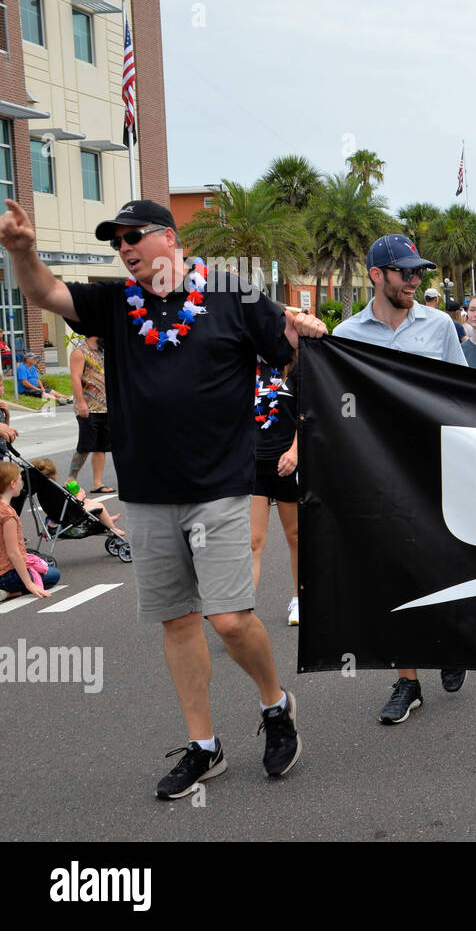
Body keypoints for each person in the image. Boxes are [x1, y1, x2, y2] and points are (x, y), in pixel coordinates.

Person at [0, 196, 320, 799]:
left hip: (221, 486)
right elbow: (46, 294)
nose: (123, 247)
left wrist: (307, 330)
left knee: (228, 618)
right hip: (146, 494)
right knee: (177, 622)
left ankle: (276, 706)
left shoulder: (231, 293)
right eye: (115, 240)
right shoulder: (114, 303)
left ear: (171, 239)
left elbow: (293, 350)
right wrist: (23, 252)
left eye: (133, 235)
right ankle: (205, 746)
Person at [334, 234, 469, 724]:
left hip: (437, 465)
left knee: (443, 561)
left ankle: (452, 640)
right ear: (376, 275)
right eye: (405, 272)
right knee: (392, 573)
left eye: (419, 273)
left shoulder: (440, 327)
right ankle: (407, 682)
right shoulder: (347, 335)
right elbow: (336, 406)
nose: (415, 280)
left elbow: (461, 393)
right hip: (379, 471)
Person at [249, 354, 300, 626]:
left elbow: (309, 414)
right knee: (254, 540)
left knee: (294, 535)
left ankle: (298, 598)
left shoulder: (298, 368)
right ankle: (243, 607)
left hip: (287, 463)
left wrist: (295, 452)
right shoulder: (249, 367)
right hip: (256, 462)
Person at [0, 462, 60, 597]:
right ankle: (9, 593)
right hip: (7, 575)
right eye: (20, 479)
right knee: (53, 574)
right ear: (12, 484)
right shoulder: (8, 515)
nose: (22, 482)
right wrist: (28, 583)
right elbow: (13, 552)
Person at [29, 456, 128, 537]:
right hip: (69, 517)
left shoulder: (44, 491)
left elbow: (62, 503)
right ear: (53, 474)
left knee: (88, 501)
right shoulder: (54, 490)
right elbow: (70, 505)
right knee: (99, 506)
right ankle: (113, 529)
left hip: (58, 515)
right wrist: (79, 496)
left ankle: (106, 520)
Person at [68, 335, 114, 493]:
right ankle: (71, 479)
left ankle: (97, 483)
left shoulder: (104, 351)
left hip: (106, 407)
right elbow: (75, 378)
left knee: (101, 446)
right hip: (88, 407)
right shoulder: (80, 353)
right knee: (85, 444)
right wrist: (81, 403)